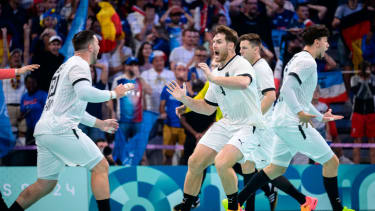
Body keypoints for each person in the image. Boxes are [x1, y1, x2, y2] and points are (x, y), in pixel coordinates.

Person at [3, 30, 134, 211]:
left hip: (45, 131)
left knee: (45, 184)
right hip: (60, 129)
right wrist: (113, 93)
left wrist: (100, 124)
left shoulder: (65, 66)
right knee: (101, 166)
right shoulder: (80, 65)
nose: (99, 47)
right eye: (97, 43)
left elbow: (72, 108)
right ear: (90, 47)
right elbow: (84, 93)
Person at [233, 25, 354, 211]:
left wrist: (320, 117)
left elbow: (300, 95)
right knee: (332, 162)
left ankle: (236, 203)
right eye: (326, 41)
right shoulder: (307, 62)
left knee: (275, 169)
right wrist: (299, 112)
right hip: (292, 123)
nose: (328, 46)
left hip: (282, 122)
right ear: (317, 42)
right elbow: (287, 88)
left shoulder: (298, 58)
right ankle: (338, 209)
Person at [168, 25, 264, 211]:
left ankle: (234, 205)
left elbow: (243, 83)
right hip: (227, 122)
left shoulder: (240, 63)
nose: (214, 45)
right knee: (194, 161)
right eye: (213, 42)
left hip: (249, 124)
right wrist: (185, 100)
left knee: (222, 163)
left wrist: (213, 78)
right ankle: (188, 202)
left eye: (218, 41)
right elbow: (207, 108)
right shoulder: (217, 72)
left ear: (230, 46)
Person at [225, 33, 317, 211]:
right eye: (240, 48)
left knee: (268, 170)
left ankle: (304, 200)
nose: (240, 52)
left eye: (244, 48)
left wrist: (253, 119)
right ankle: (242, 206)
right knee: (249, 167)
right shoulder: (250, 68)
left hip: (262, 128)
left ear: (256, 49)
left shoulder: (261, 68)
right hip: (253, 125)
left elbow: (271, 95)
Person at [160, 62, 188, 165]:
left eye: (183, 69)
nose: (181, 72)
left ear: (187, 72)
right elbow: (162, 106)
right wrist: (163, 113)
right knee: (167, 155)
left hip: (185, 127)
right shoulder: (168, 87)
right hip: (169, 125)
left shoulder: (189, 88)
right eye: (179, 69)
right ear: (174, 72)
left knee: (185, 155)